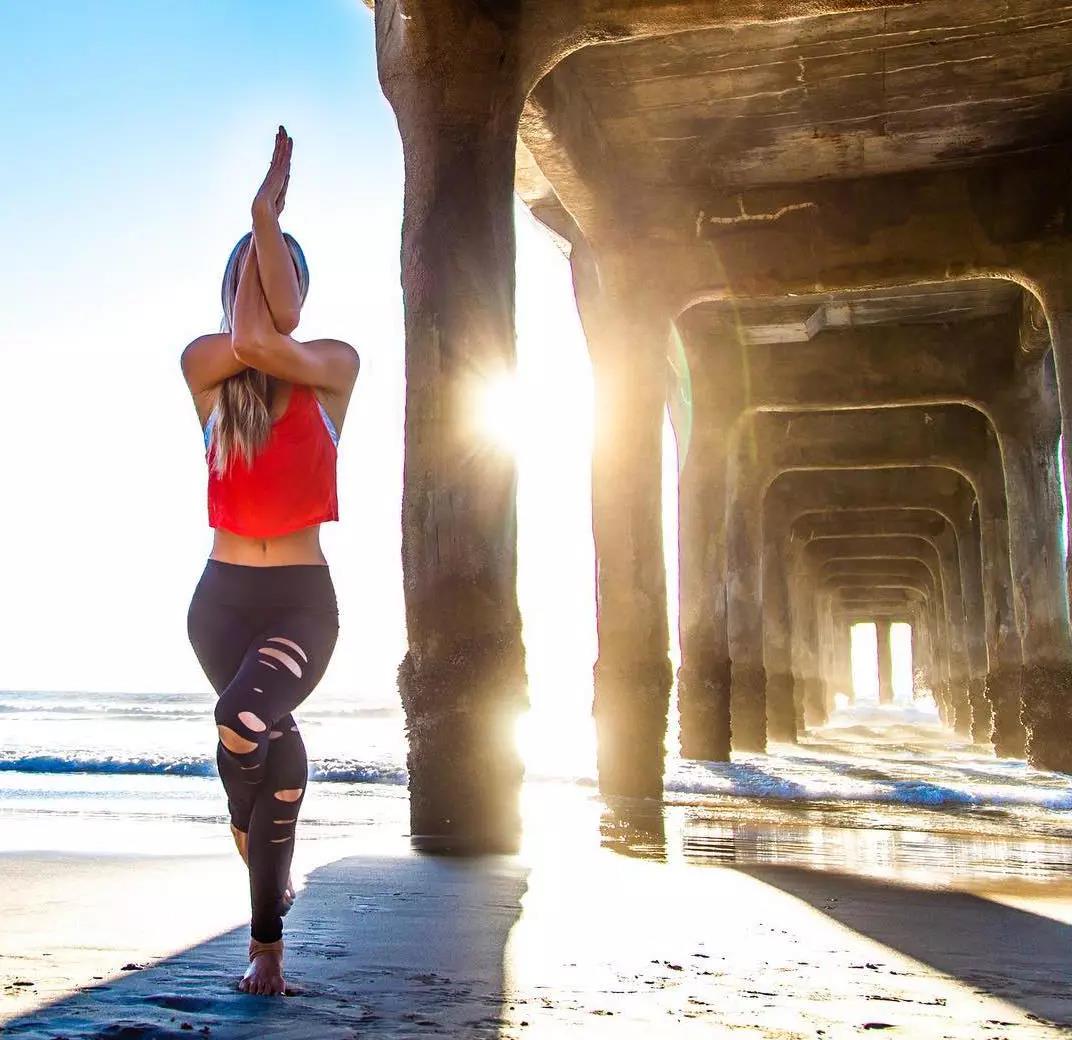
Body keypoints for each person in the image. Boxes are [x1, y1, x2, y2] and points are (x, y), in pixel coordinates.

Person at [180, 126, 360, 996]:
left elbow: (275, 332)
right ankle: (268, 950)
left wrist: (264, 216)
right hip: (219, 600)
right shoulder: (205, 368)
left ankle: (245, 829)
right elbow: (250, 340)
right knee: (273, 759)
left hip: (299, 601)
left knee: (244, 726)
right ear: (237, 283)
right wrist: (262, 225)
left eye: (285, 266)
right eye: (260, 263)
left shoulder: (332, 369)